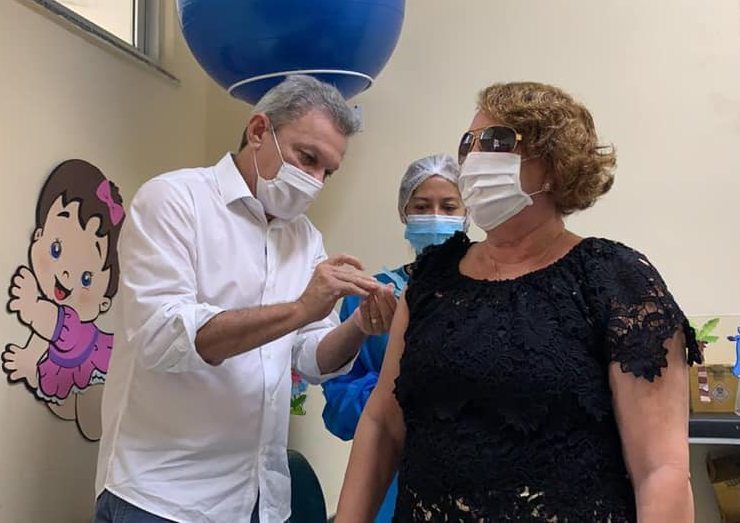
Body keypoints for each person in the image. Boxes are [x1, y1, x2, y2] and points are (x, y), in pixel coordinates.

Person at [335, 81, 701, 522]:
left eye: (495, 141)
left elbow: (660, 471)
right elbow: (383, 424)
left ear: (554, 164)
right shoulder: (432, 280)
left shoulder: (613, 280)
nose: (473, 157)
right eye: (468, 143)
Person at [94, 75, 397, 523]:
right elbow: (163, 337)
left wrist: (357, 328)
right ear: (258, 131)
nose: (315, 181)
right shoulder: (174, 201)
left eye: (327, 172)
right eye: (307, 158)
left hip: (259, 498)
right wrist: (299, 309)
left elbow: (311, 356)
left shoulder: (305, 239)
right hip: (163, 496)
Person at [321, 153, 467, 522]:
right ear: (404, 213)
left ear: (468, 212)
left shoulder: (493, 293)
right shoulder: (374, 297)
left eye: (449, 206)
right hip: (391, 487)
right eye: (422, 206)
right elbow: (339, 409)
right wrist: (402, 396)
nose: (435, 216)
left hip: (473, 482)